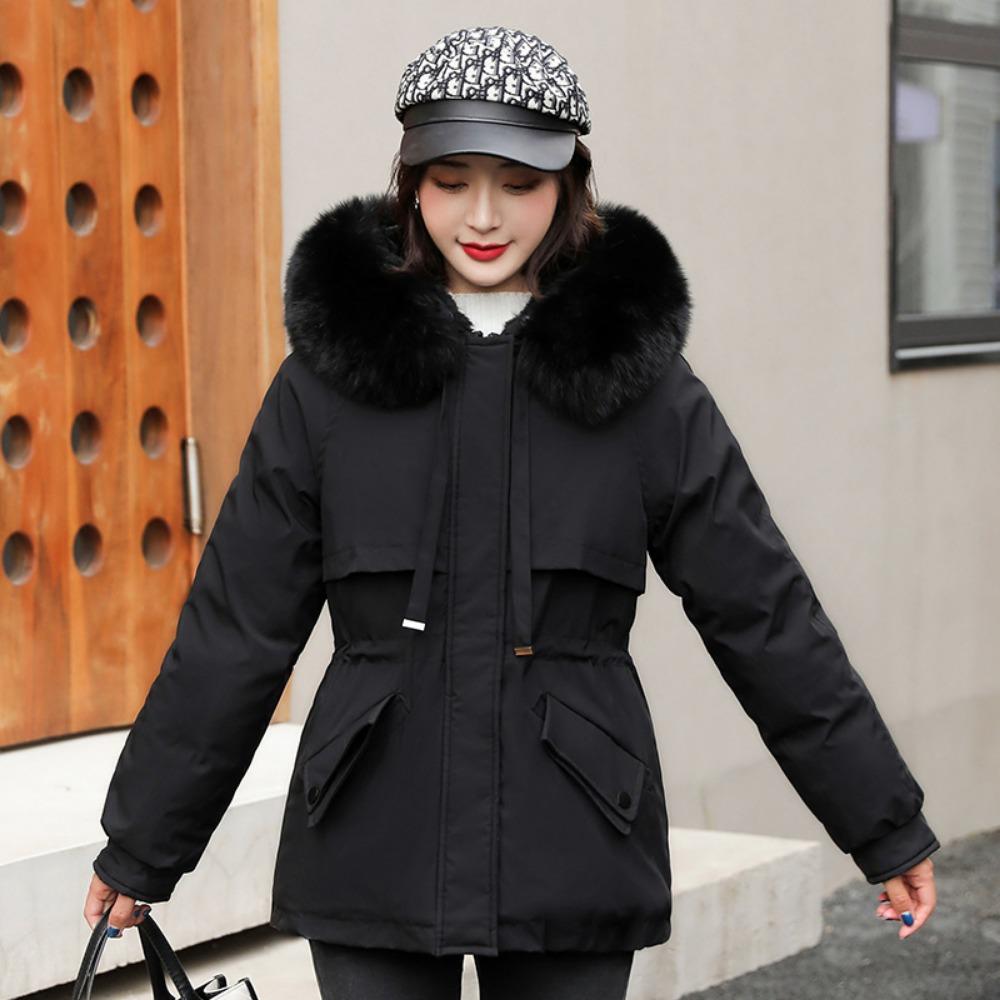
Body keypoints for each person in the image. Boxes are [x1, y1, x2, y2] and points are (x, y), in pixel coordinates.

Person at [84, 24, 939, 1000]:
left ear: (568, 183)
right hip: (371, 822)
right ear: (410, 183)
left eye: (519, 183)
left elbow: (762, 610)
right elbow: (238, 624)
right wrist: (142, 843)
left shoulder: (642, 386)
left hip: (574, 821)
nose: (482, 216)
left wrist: (882, 823)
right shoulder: (328, 382)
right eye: (451, 181)